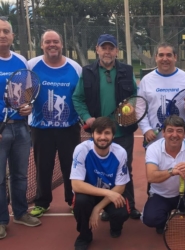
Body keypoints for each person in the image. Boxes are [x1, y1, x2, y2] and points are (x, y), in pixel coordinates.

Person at [72, 34, 141, 220]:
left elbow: (134, 93)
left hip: (122, 131)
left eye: (111, 48)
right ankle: (103, 206)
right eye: (104, 48)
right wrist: (87, 118)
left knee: (125, 168)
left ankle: (129, 205)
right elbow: (77, 98)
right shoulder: (87, 72)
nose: (108, 51)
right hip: (99, 133)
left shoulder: (127, 70)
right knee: (97, 171)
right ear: (97, 49)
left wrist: (131, 104)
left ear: (117, 51)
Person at [28, 30, 82, 217]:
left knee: (71, 166)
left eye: (56, 41)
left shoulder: (75, 67)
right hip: (41, 128)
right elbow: (27, 93)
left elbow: (80, 95)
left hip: (69, 128)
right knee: (43, 167)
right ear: (42, 45)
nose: (52, 45)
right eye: (48, 42)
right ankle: (42, 202)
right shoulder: (32, 65)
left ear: (61, 44)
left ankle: (72, 199)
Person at [141, 115, 185, 247]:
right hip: (161, 195)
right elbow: (151, 177)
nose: (174, 135)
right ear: (163, 133)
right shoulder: (153, 148)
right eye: (170, 130)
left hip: (184, 194)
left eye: (179, 131)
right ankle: (164, 217)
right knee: (151, 219)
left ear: (184, 134)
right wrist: (171, 171)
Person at [0, 16, 41, 240]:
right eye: (0, 31)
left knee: (20, 175)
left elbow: (27, 90)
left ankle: (20, 213)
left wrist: (28, 107)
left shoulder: (21, 61)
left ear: (12, 36)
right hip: (0, 129)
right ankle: (1, 220)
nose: (2, 35)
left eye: (6, 31)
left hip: (21, 129)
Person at [70, 117, 130, 250]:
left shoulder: (120, 152)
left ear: (113, 135)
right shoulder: (82, 149)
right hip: (89, 193)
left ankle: (115, 226)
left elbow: (120, 186)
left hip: (111, 192)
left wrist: (97, 208)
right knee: (81, 202)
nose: (103, 137)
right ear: (92, 134)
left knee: (121, 212)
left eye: (107, 133)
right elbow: (76, 185)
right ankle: (85, 236)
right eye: (99, 133)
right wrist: (107, 193)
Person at [138, 42, 185, 146]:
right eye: (161, 55)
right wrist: (146, 129)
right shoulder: (146, 80)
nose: (165, 59)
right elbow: (140, 108)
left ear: (175, 57)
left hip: (180, 139)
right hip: (154, 139)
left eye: (169, 55)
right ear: (156, 57)